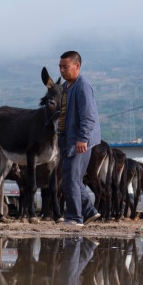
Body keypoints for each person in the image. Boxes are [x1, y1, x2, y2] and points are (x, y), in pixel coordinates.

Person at [57, 50, 101, 225]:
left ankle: (75, 218)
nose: (62, 70)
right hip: (68, 140)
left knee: (72, 179)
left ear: (77, 66)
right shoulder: (68, 87)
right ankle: (89, 211)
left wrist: (82, 138)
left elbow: (88, 116)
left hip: (79, 141)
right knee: (70, 178)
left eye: (65, 67)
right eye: (60, 67)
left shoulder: (82, 86)